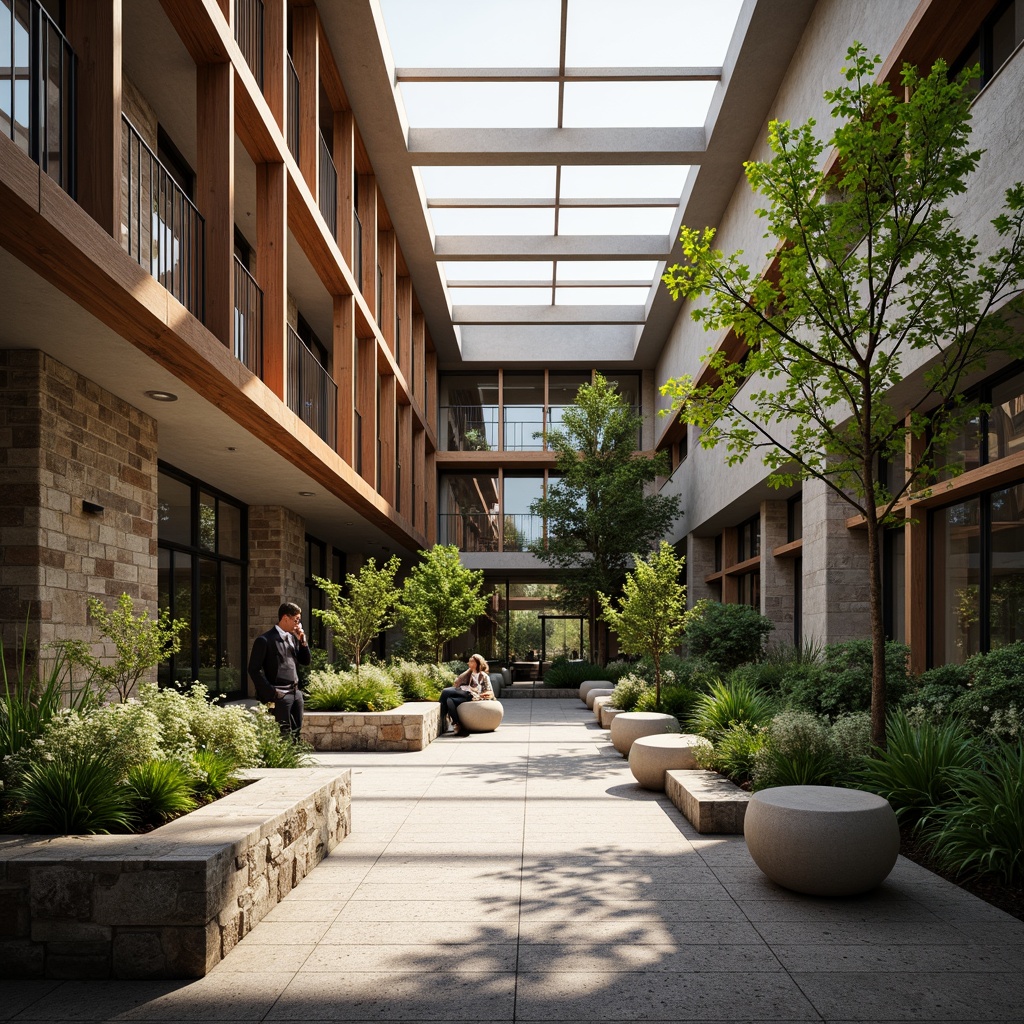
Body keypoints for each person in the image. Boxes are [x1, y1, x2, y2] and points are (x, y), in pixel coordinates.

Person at [248, 601, 311, 739]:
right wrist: (273, 693)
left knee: (296, 733)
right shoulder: (265, 640)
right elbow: (253, 670)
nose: (298, 624)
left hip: (296, 693)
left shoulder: (292, 638)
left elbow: (305, 661)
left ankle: (294, 760)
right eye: (296, 620)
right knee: (284, 735)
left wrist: (303, 641)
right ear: (285, 618)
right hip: (280, 694)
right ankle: (285, 760)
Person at [438, 653, 494, 736]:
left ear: (477, 663)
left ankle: (442, 716)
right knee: (449, 700)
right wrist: (469, 670)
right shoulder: (469, 673)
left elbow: (490, 691)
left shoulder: (484, 676)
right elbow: (457, 683)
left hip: (473, 695)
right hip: (464, 693)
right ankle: (457, 724)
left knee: (446, 691)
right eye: (469, 661)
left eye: (471, 661)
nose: (469, 663)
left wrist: (480, 694)